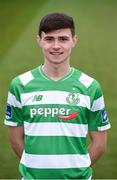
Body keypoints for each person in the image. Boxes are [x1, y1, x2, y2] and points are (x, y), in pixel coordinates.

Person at [4, 12, 111, 179]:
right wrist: (35, 166)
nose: (56, 45)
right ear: (38, 40)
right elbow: (15, 139)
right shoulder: (20, 85)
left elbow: (100, 143)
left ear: (74, 40)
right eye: (49, 39)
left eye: (63, 39)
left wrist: (77, 170)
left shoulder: (90, 86)